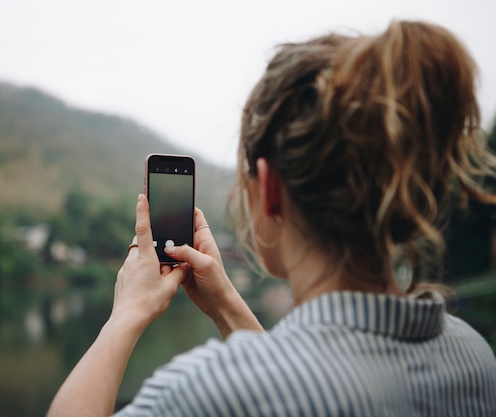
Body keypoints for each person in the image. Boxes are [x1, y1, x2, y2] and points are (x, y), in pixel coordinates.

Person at [47, 20, 496, 416]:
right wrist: (227, 305)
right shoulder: (473, 357)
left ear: (271, 187)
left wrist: (125, 315)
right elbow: (305, 379)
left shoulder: (207, 391)